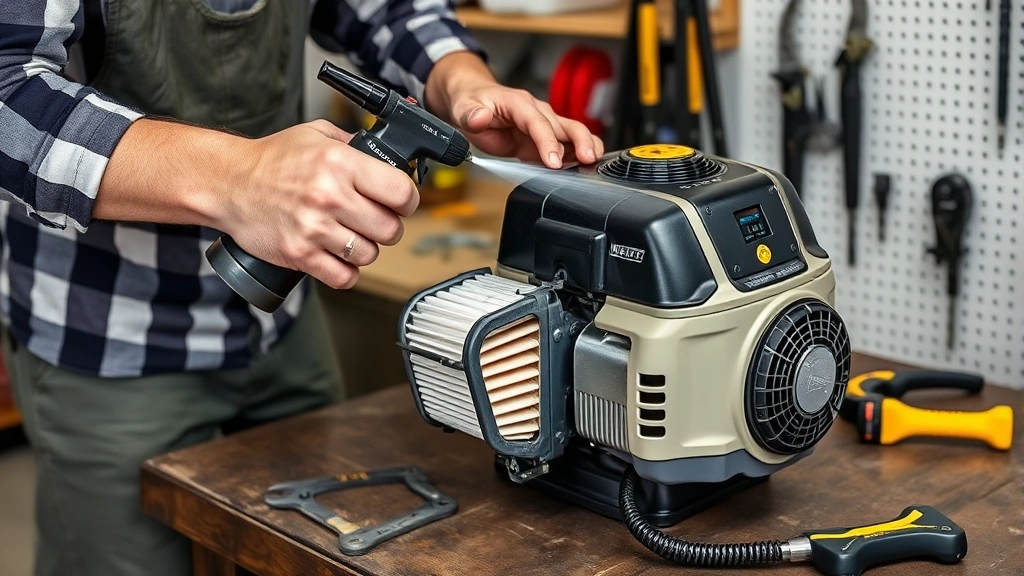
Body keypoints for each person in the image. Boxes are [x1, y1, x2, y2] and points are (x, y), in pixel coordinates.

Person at [0, 1, 604, 574]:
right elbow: (7, 94)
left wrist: (461, 80)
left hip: (282, 319)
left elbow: (388, 9)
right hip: (108, 334)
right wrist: (240, 176)